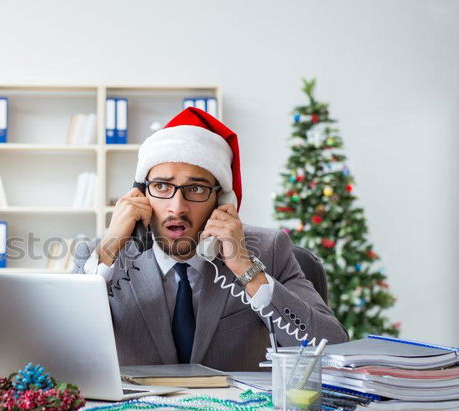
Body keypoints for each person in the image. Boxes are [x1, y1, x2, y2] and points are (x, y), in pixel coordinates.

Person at [72, 107, 348, 371]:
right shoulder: (101, 255)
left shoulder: (268, 249)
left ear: (221, 201)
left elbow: (333, 350)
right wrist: (108, 251)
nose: (177, 207)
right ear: (140, 194)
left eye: (195, 188)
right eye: (161, 186)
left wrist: (246, 270)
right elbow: (62, 348)